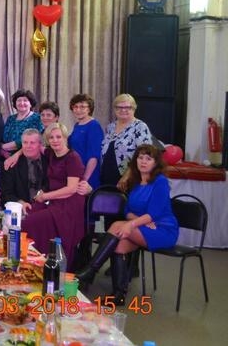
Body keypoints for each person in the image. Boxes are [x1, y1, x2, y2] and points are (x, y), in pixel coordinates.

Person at [76, 144, 179, 305]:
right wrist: (136, 222)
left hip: (162, 229)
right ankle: (118, 295)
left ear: (156, 163)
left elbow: (155, 213)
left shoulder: (160, 181)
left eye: (148, 158)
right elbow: (127, 210)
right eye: (140, 157)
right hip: (143, 225)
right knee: (119, 245)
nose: (143, 161)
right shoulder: (136, 182)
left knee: (118, 226)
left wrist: (131, 225)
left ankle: (90, 270)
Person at [22, 123, 86, 260]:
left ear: (65, 138)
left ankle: (45, 259)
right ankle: (33, 258)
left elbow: (71, 189)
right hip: (54, 201)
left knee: (30, 222)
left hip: (68, 204)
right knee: (27, 215)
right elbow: (32, 147)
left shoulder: (73, 158)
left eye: (58, 137)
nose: (55, 140)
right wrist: (15, 155)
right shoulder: (51, 153)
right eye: (51, 137)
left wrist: (45, 196)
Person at [100, 93, 153, 187]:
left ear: (134, 109)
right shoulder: (111, 127)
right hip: (106, 176)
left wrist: (126, 176)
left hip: (127, 178)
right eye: (119, 107)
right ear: (115, 109)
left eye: (127, 107)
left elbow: (144, 155)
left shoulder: (140, 126)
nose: (123, 110)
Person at [69, 94, 105, 189]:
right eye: (75, 107)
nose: (78, 110)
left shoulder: (94, 126)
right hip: (77, 172)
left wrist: (85, 179)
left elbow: (94, 157)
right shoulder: (77, 125)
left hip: (88, 176)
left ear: (89, 109)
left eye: (82, 107)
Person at [1, 89, 42, 159]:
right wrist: (3, 151)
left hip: (26, 156)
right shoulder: (10, 118)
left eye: (25, 100)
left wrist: (4, 147)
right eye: (19, 100)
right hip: (5, 156)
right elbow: (3, 137)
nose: (22, 103)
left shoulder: (37, 118)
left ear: (31, 104)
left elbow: (34, 139)